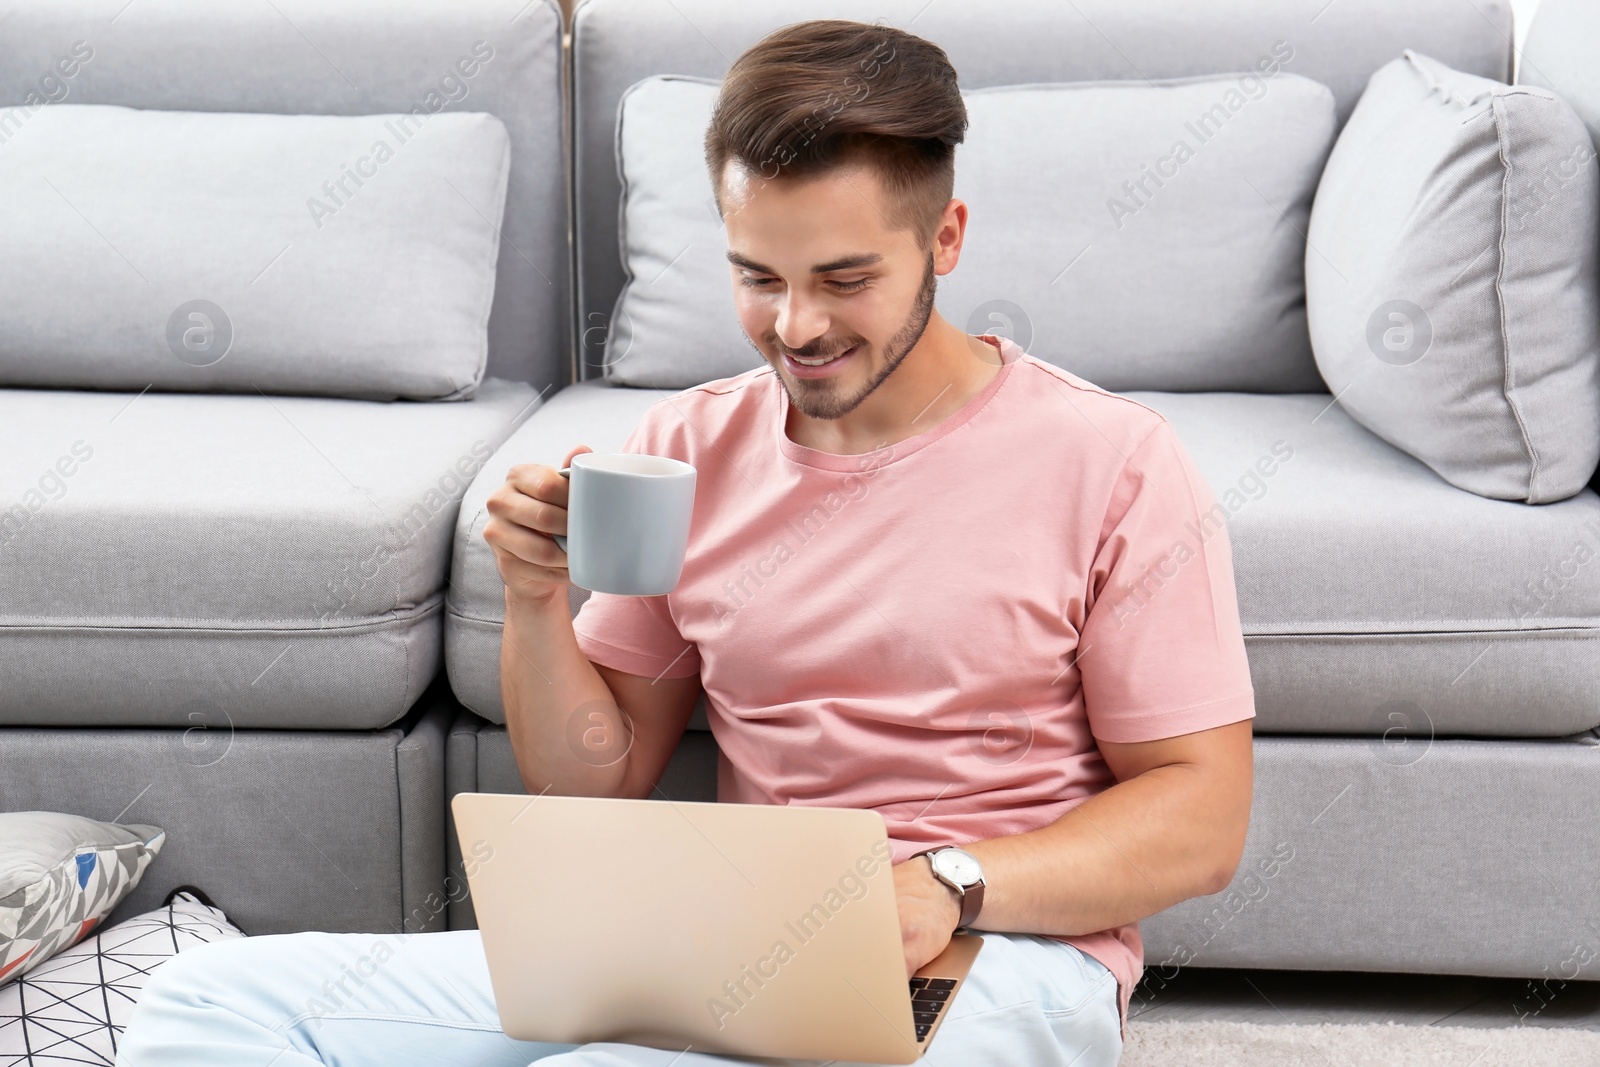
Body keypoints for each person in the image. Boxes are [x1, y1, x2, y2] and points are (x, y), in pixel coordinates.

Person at [118, 18, 1254, 1067]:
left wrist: (947, 881)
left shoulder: (1113, 461)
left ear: (944, 238)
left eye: (845, 280)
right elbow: (594, 779)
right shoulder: (688, 446)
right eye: (757, 277)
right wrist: (530, 597)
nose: (795, 327)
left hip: (1001, 950)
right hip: (724, 937)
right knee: (204, 999)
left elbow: (1201, 817)